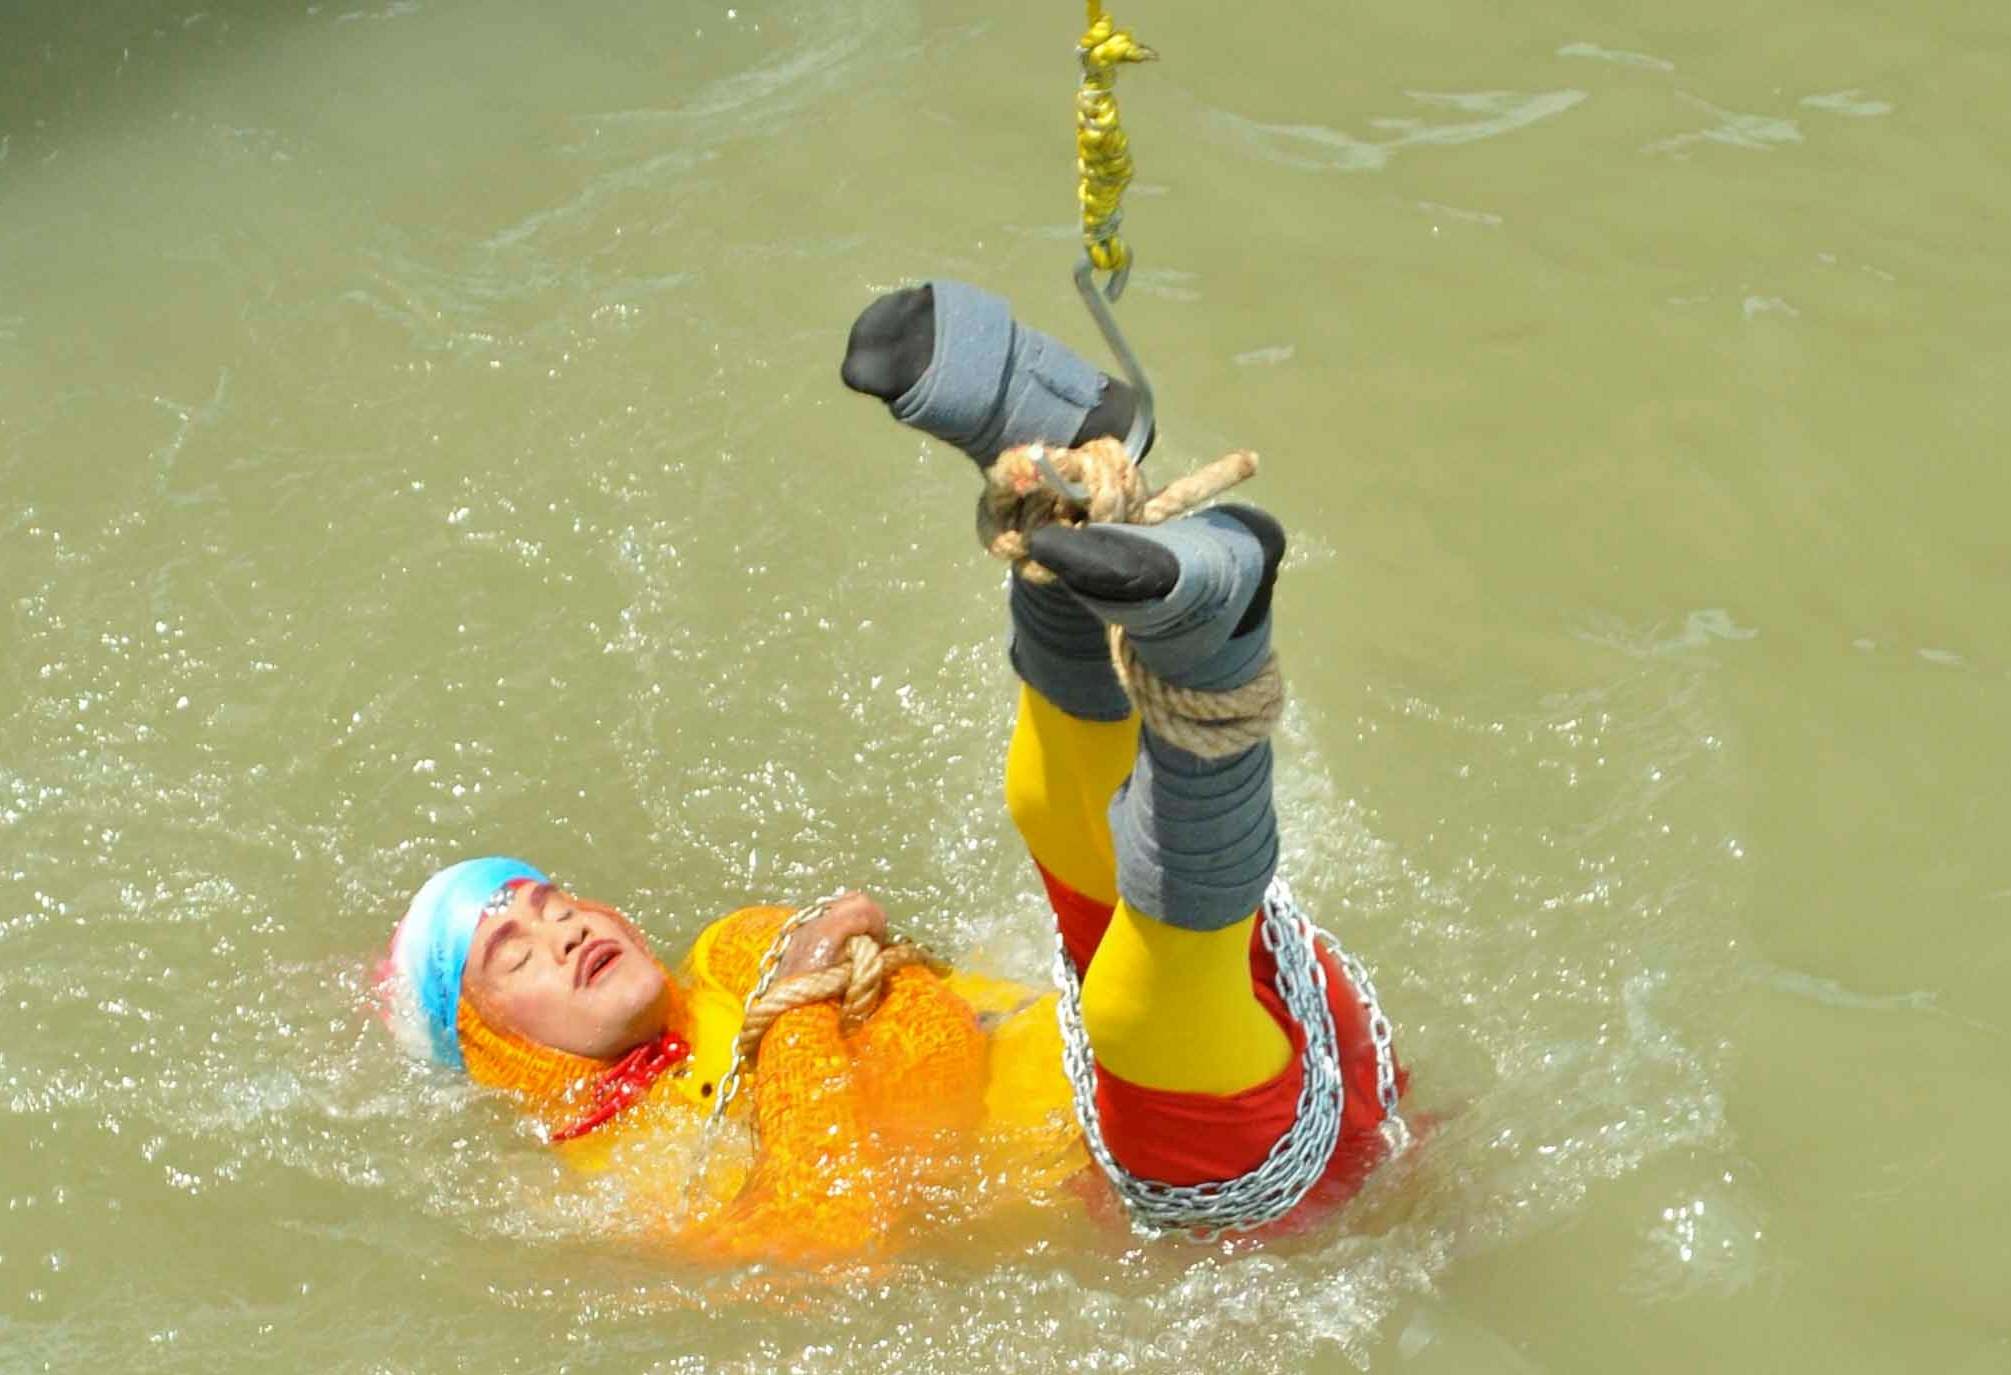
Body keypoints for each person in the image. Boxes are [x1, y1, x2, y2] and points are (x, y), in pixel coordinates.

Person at [377, 281, 1407, 1263]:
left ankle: (1056, 492)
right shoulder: (608, 1183)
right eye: (508, 957)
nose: (558, 931)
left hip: (1245, 1042)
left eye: (549, 903)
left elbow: (856, 969)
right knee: (1132, 1010)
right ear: (491, 1048)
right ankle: (1204, 649)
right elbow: (834, 1244)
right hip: (1247, 1191)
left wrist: (796, 993)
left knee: (1058, 839)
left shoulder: (735, 955)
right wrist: (797, 1019)